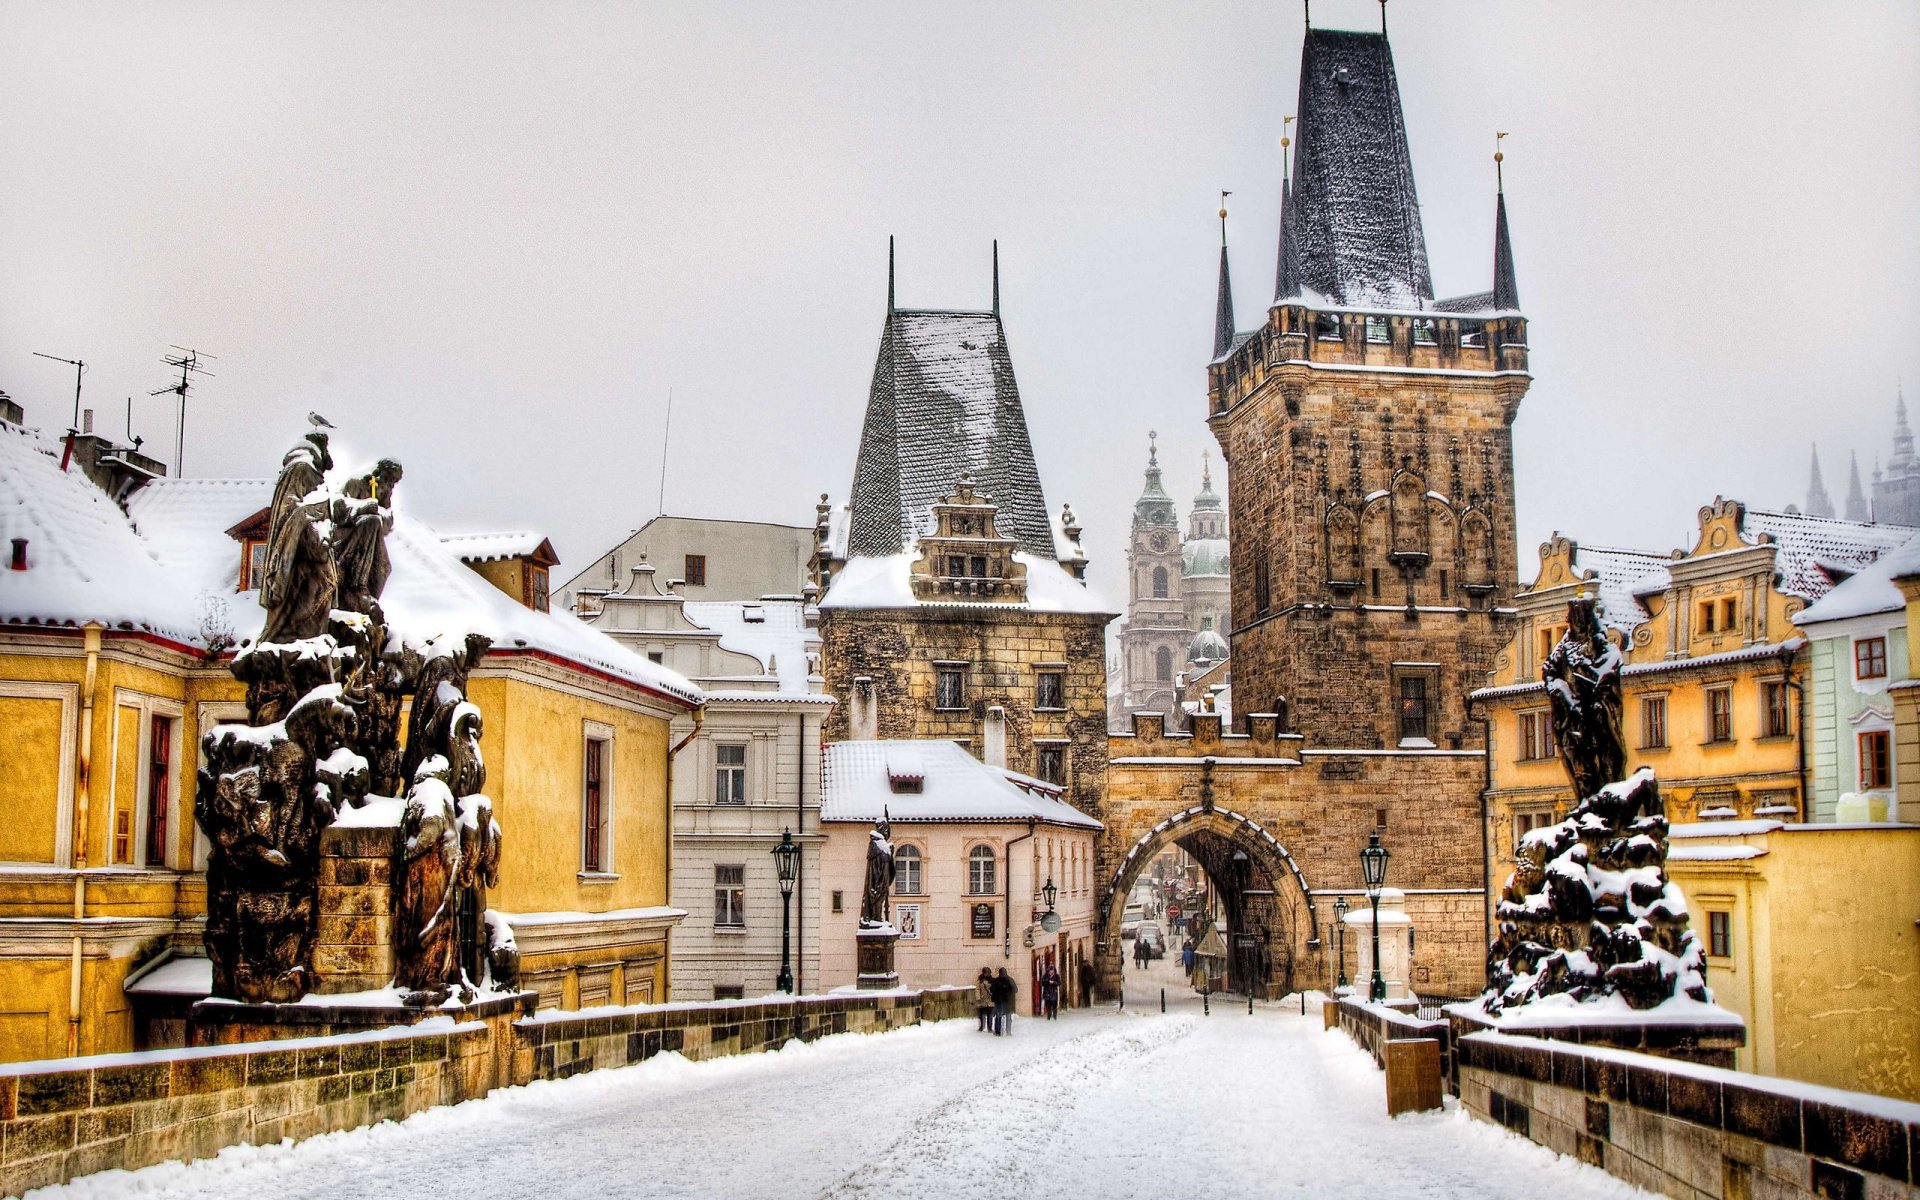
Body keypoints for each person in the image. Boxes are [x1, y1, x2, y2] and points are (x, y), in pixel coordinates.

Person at [990, 967, 1016, 1035]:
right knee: (1005, 1016)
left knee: (1000, 1016)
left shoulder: (997, 981)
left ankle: (999, 1031)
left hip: (1002, 1001)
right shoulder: (1010, 980)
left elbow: (991, 989)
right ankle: (1007, 1031)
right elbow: (1015, 989)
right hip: (1005, 1001)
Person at [974, 967, 994, 1032]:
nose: (987, 974)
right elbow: (977, 989)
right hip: (982, 999)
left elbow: (994, 989)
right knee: (981, 1014)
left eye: (988, 973)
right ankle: (981, 1027)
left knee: (990, 1014)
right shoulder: (980, 980)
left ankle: (990, 1027)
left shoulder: (992, 980)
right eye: (986, 973)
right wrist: (978, 998)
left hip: (990, 999)